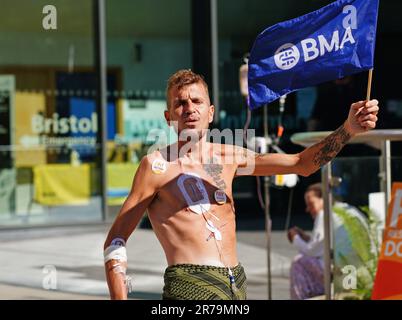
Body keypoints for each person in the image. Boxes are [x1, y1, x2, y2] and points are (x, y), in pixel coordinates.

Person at [103, 69, 379, 300]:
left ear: (210, 112)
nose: (189, 109)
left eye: (196, 101)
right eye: (180, 103)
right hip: (189, 284)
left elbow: (300, 164)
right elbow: (116, 241)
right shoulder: (155, 166)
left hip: (236, 284)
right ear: (168, 117)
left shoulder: (230, 157)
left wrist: (348, 130)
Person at [287, 183, 337, 299]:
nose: (308, 209)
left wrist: (296, 238)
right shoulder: (331, 213)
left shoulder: (323, 214)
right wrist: (305, 237)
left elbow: (312, 251)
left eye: (311, 204)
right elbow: (320, 245)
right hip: (334, 264)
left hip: (330, 267)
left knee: (298, 262)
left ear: (322, 200)